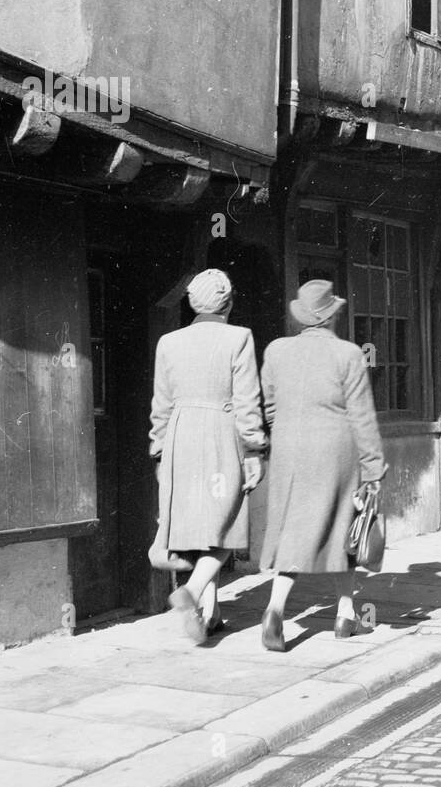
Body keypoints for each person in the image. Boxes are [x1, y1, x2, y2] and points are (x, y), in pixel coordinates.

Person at [258, 280, 388, 649]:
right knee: (343, 530)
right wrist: (374, 467)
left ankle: (285, 611)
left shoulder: (276, 351)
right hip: (336, 449)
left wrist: (284, 431)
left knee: (294, 531)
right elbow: (362, 416)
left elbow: (268, 406)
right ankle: (333, 615)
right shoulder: (348, 354)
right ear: (332, 315)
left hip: (289, 449)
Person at [149, 269, 266, 644]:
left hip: (180, 438)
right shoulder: (239, 338)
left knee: (196, 525)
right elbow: (248, 401)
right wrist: (254, 449)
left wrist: (158, 451)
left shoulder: (168, 342)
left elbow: (161, 404)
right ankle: (193, 591)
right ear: (229, 303)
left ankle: (210, 615)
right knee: (227, 520)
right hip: (221, 432)